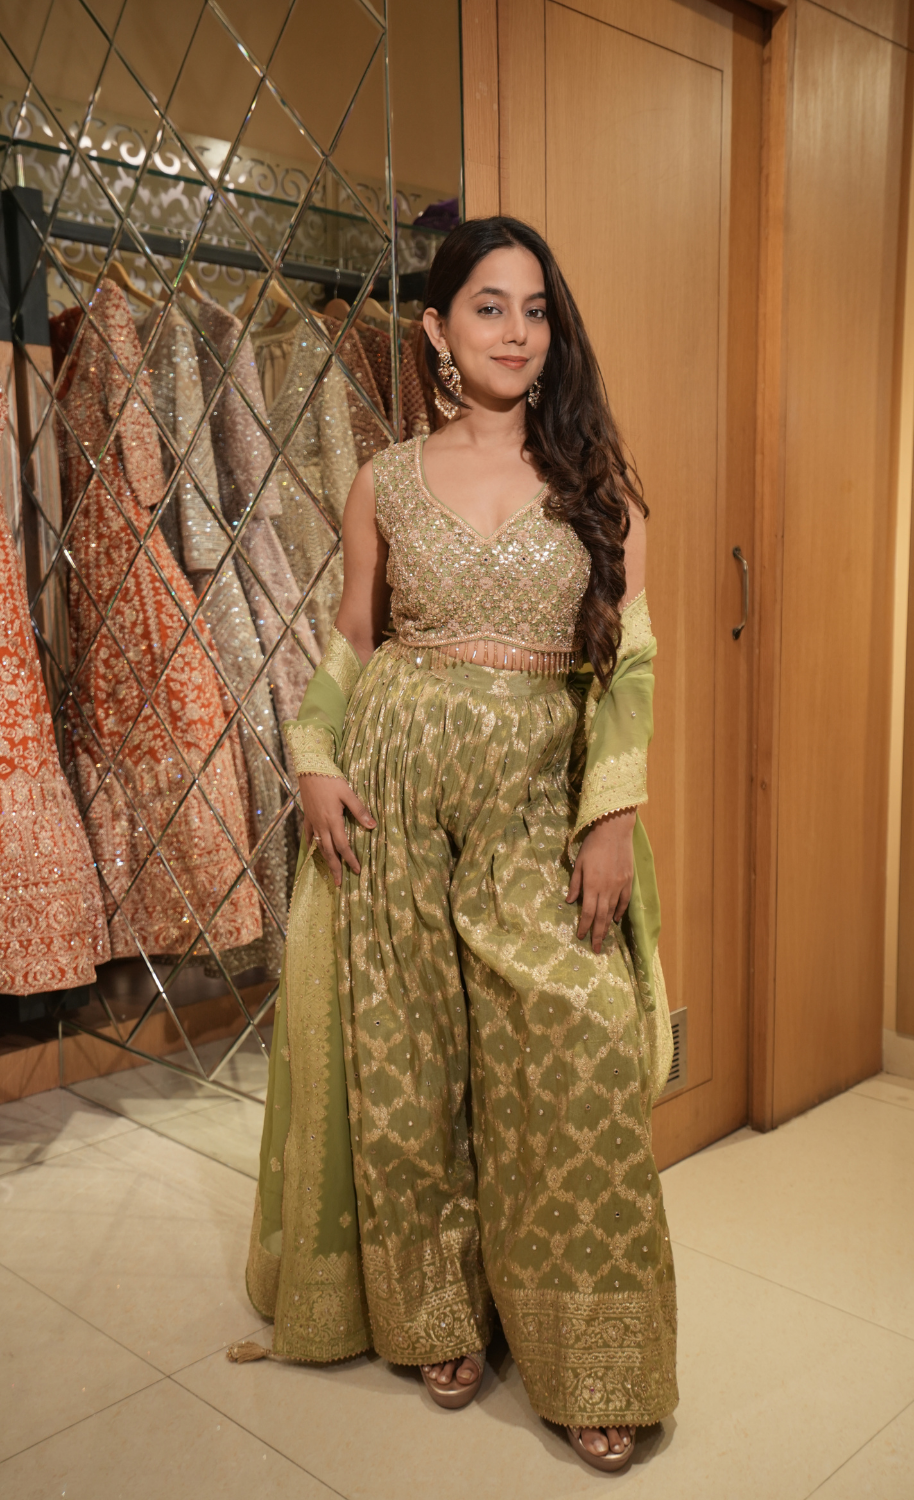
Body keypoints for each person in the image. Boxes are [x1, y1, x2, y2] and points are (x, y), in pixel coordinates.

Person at [240, 216, 677, 1475]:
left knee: (574, 1050)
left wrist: (612, 816)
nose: (516, 332)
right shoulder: (383, 479)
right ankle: (436, 1314)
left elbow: (630, 665)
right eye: (489, 307)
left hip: (538, 805)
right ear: (435, 327)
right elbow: (352, 640)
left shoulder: (597, 483)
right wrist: (314, 759)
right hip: (390, 798)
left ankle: (594, 1356)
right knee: (409, 1061)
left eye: (535, 310)